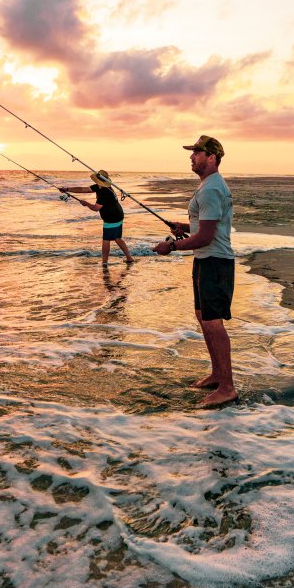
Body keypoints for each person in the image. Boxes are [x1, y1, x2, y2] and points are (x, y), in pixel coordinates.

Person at [153, 135, 236, 407]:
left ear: (211, 157)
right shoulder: (207, 186)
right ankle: (216, 374)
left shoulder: (211, 189)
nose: (191, 157)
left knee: (213, 322)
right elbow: (206, 227)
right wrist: (184, 226)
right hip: (205, 260)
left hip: (215, 261)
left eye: (197, 153)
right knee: (203, 317)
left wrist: (172, 246)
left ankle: (227, 387)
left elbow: (207, 237)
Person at [59, 170, 134, 264]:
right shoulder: (101, 187)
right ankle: (129, 258)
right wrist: (67, 189)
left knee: (106, 240)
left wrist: (86, 203)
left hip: (112, 219)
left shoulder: (105, 192)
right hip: (118, 215)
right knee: (117, 238)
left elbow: (95, 208)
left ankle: (104, 262)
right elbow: (84, 189)